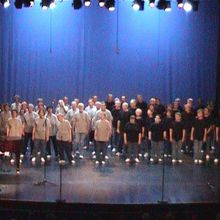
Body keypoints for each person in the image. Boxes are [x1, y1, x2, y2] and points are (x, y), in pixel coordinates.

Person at [6, 109, 23, 174]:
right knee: (12, 149)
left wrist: (20, 135)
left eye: (15, 113)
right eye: (12, 113)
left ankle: (18, 166)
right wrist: (7, 136)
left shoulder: (19, 120)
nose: (13, 114)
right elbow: (8, 128)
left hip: (18, 137)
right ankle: (12, 158)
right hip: (11, 137)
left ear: (16, 113)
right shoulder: (9, 120)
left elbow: (21, 128)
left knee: (17, 151)